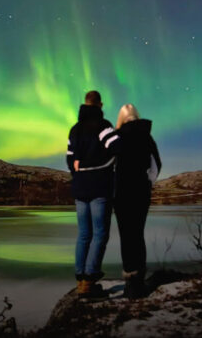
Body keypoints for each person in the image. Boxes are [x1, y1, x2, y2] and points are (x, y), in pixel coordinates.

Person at [66, 90, 119, 298]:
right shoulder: (103, 126)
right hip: (99, 185)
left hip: (80, 187)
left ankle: (80, 277)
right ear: (100, 104)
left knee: (84, 234)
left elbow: (70, 157)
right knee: (99, 234)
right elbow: (117, 147)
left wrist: (78, 171)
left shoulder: (75, 129)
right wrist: (104, 165)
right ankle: (89, 279)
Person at [112, 103, 161, 299]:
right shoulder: (147, 136)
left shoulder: (116, 137)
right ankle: (139, 282)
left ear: (121, 119)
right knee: (138, 233)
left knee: (126, 234)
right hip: (141, 191)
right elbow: (156, 165)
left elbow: (110, 165)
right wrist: (147, 182)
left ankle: (130, 281)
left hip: (122, 191)